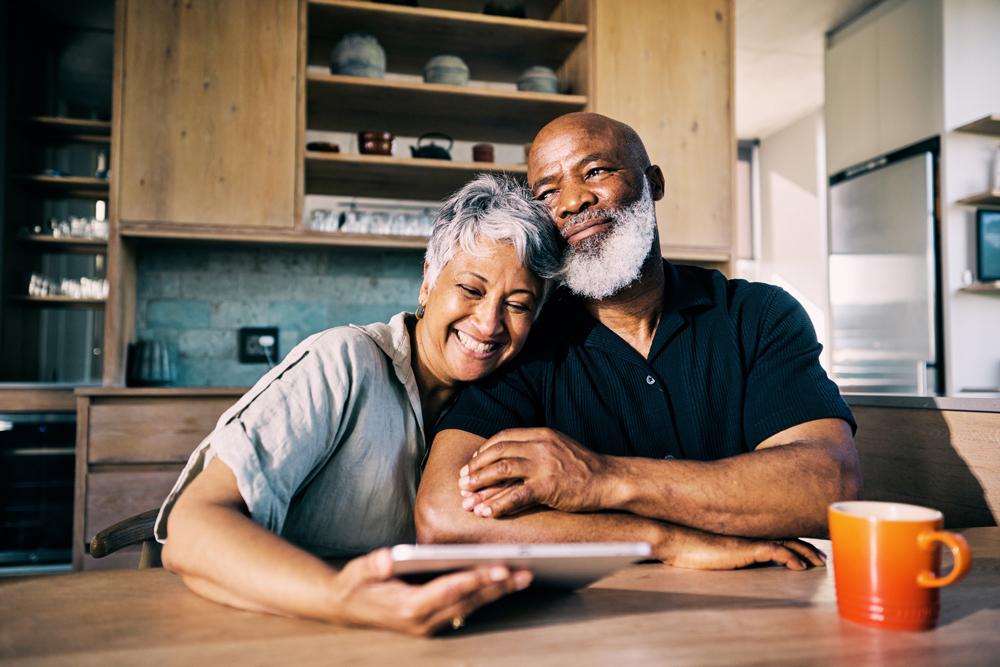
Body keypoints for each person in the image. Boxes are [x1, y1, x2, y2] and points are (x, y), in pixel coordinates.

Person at [416, 112, 861, 571]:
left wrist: (602, 478)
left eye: (595, 171)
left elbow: (830, 486)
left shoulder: (758, 316)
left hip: (766, 600)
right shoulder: (524, 340)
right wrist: (660, 539)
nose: (572, 201)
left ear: (654, 183)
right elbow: (443, 515)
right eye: (547, 193)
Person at [156, 174, 563, 635]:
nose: (489, 323)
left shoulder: (503, 407)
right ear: (428, 281)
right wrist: (342, 598)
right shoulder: (343, 361)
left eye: (518, 305)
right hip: (276, 630)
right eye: (471, 289)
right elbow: (190, 527)